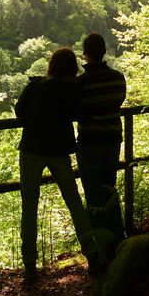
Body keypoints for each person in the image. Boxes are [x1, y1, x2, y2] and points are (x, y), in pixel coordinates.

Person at [15, 47, 97, 282]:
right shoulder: (75, 88)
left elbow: (19, 112)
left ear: (52, 65)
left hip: (32, 148)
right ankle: (92, 254)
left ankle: (30, 265)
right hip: (60, 150)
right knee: (73, 201)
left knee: (29, 206)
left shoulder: (36, 85)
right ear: (72, 68)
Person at [76, 33, 127, 238]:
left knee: (92, 193)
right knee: (109, 187)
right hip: (113, 139)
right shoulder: (118, 78)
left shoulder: (80, 83)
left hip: (89, 142)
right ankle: (117, 235)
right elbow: (119, 101)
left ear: (85, 54)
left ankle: (100, 241)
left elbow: (75, 110)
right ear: (104, 51)